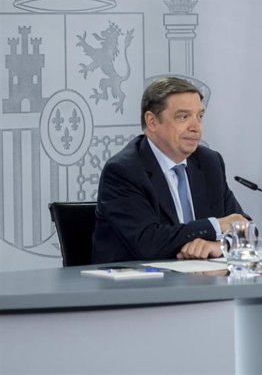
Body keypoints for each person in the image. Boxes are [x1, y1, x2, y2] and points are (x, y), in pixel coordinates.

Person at [92, 77, 250, 263]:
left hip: (202, 284)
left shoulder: (209, 163)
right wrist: (215, 226)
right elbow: (148, 243)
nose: (196, 128)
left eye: (199, 116)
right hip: (141, 286)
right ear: (152, 122)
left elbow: (244, 228)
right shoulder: (123, 171)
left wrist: (219, 246)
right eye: (183, 117)